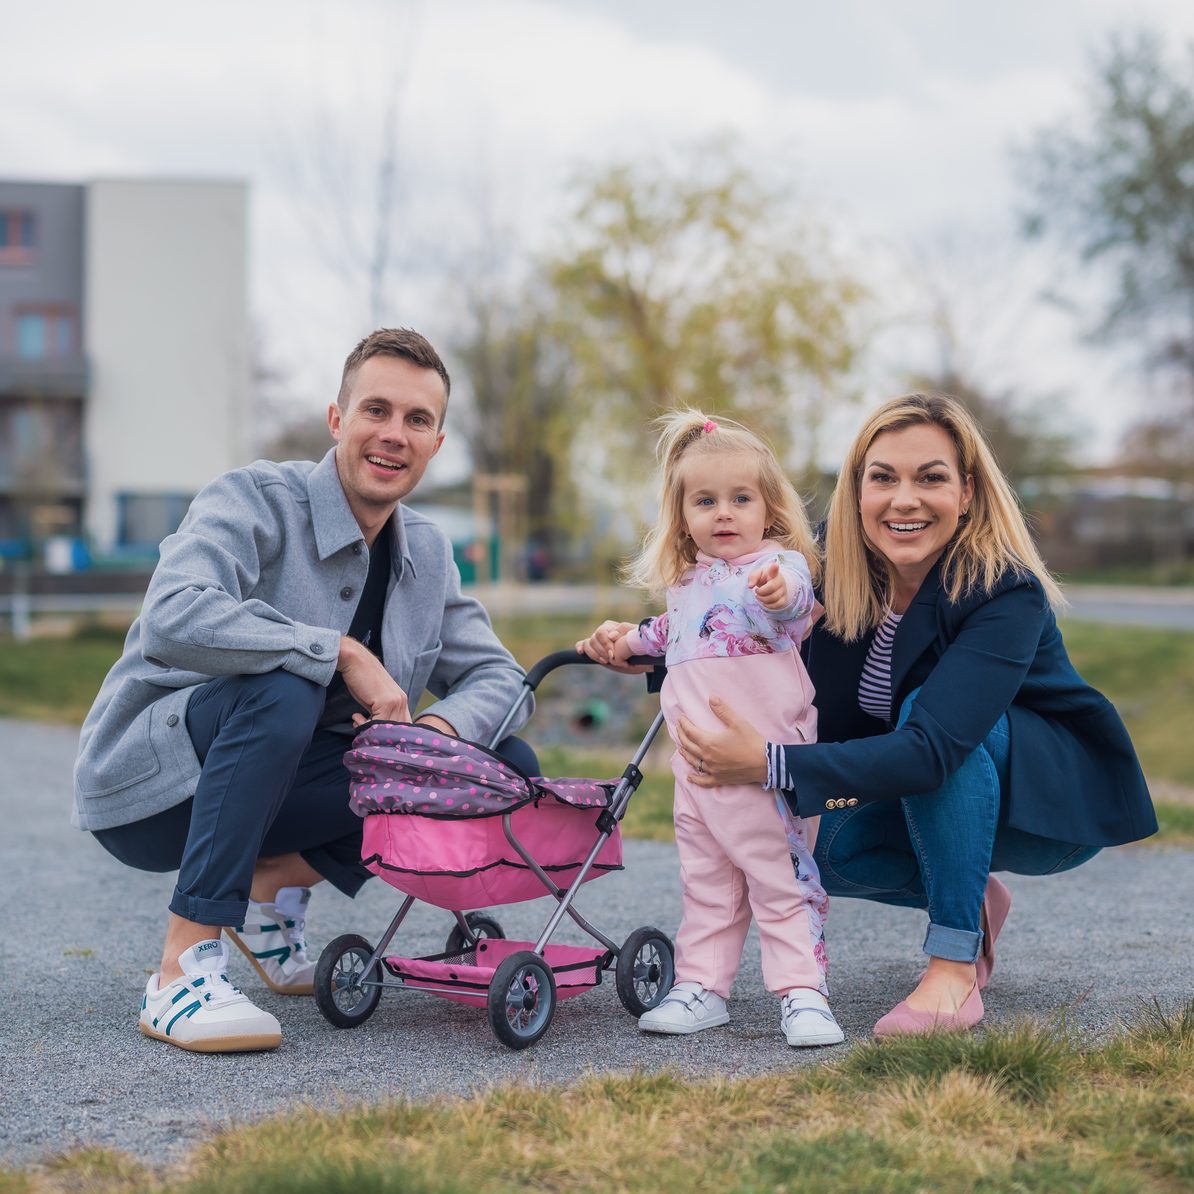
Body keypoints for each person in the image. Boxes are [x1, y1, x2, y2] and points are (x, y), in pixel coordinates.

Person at [73, 327, 535, 1053]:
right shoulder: (254, 498)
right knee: (285, 687)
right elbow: (170, 616)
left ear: (438, 443)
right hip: (154, 791)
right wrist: (338, 651)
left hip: (279, 792)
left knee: (503, 759)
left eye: (417, 420)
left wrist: (438, 736)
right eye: (376, 410)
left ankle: (272, 890)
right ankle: (180, 971)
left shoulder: (429, 551)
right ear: (337, 420)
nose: (393, 435)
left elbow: (504, 679)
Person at [673, 392, 1156, 1036]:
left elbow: (931, 748)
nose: (904, 499)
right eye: (883, 478)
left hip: (1045, 801)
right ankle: (972, 899)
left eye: (930, 477)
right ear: (857, 491)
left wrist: (768, 762)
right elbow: (744, 631)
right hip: (924, 782)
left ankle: (954, 969)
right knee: (821, 848)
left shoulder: (1003, 590)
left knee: (934, 722)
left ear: (967, 491)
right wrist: (648, 652)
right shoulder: (829, 572)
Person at [578, 411, 843, 1047]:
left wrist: (779, 593)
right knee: (706, 884)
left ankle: (804, 992)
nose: (723, 512)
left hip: (759, 766)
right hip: (695, 773)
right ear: (683, 513)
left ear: (768, 510)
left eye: (740, 498)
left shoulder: (776, 567)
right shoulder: (688, 582)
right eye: (705, 500)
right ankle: (703, 986)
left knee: (780, 878)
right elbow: (672, 635)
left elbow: (796, 604)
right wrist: (625, 640)